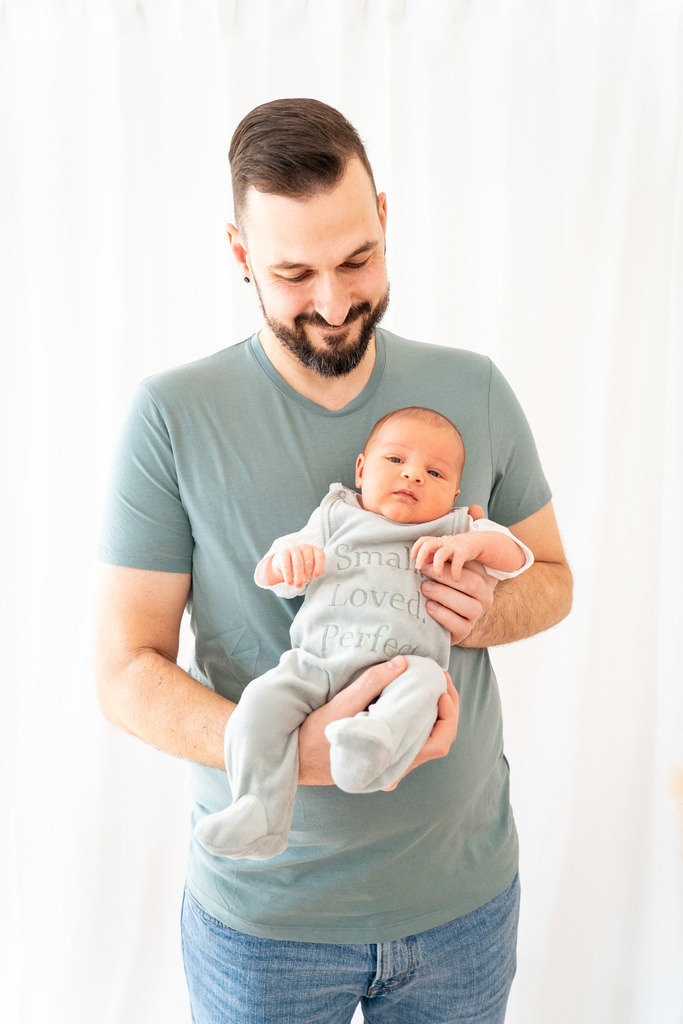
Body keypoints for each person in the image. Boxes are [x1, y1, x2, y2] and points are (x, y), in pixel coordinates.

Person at [96, 97, 572, 1023]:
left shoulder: (471, 388)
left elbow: (551, 580)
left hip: (464, 906)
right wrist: (285, 750)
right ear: (240, 254)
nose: (332, 301)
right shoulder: (172, 416)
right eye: (292, 272)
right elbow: (123, 670)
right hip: (265, 925)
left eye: (356, 259)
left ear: (384, 218)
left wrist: (486, 609)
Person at [194, 406, 534, 860]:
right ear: (361, 470)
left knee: (427, 684)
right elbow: (271, 570)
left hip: (405, 668)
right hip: (315, 665)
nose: (413, 475)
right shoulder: (336, 516)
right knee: (259, 703)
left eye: (434, 473)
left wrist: (472, 543)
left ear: (455, 493)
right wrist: (289, 563)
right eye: (395, 460)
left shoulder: (454, 527)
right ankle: (257, 810)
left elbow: (518, 556)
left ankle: (373, 743)